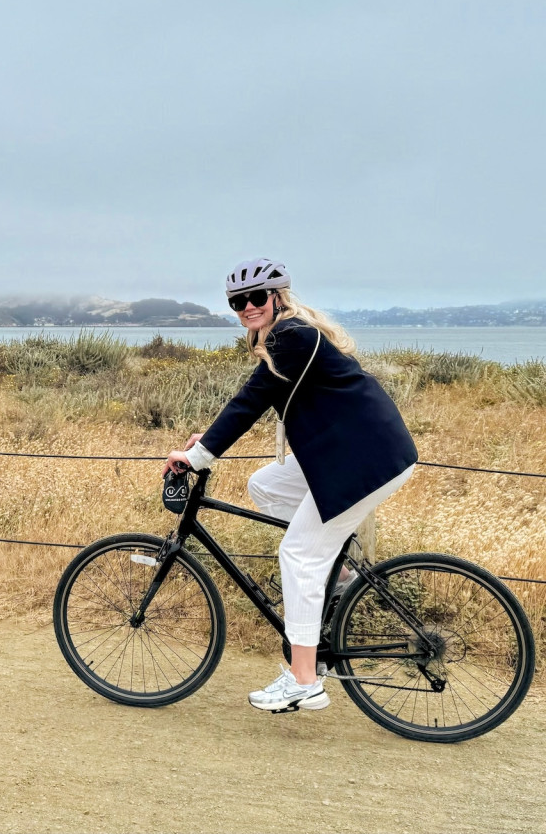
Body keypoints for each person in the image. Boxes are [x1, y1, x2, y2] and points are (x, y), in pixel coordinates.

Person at [164, 257, 417, 713]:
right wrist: (208, 441)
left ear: (277, 297)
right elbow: (259, 400)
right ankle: (340, 577)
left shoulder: (291, 336)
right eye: (237, 302)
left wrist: (197, 456)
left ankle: (305, 681)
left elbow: (251, 400)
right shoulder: (288, 335)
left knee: (298, 554)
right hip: (356, 452)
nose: (247, 307)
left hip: (363, 461)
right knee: (265, 484)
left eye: (256, 297)